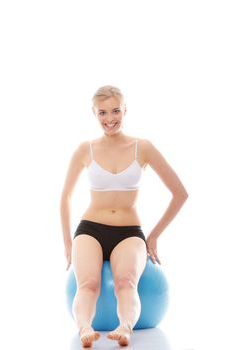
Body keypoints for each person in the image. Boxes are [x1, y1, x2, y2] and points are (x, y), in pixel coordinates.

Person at [60, 85, 188, 348]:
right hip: (90, 229)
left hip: (128, 232)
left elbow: (180, 193)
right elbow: (65, 197)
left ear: (125, 109)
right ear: (94, 114)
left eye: (116, 110)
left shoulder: (143, 147)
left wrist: (153, 236)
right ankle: (85, 328)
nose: (110, 118)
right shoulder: (85, 149)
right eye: (103, 112)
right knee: (88, 284)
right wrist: (67, 243)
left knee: (126, 282)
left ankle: (125, 327)